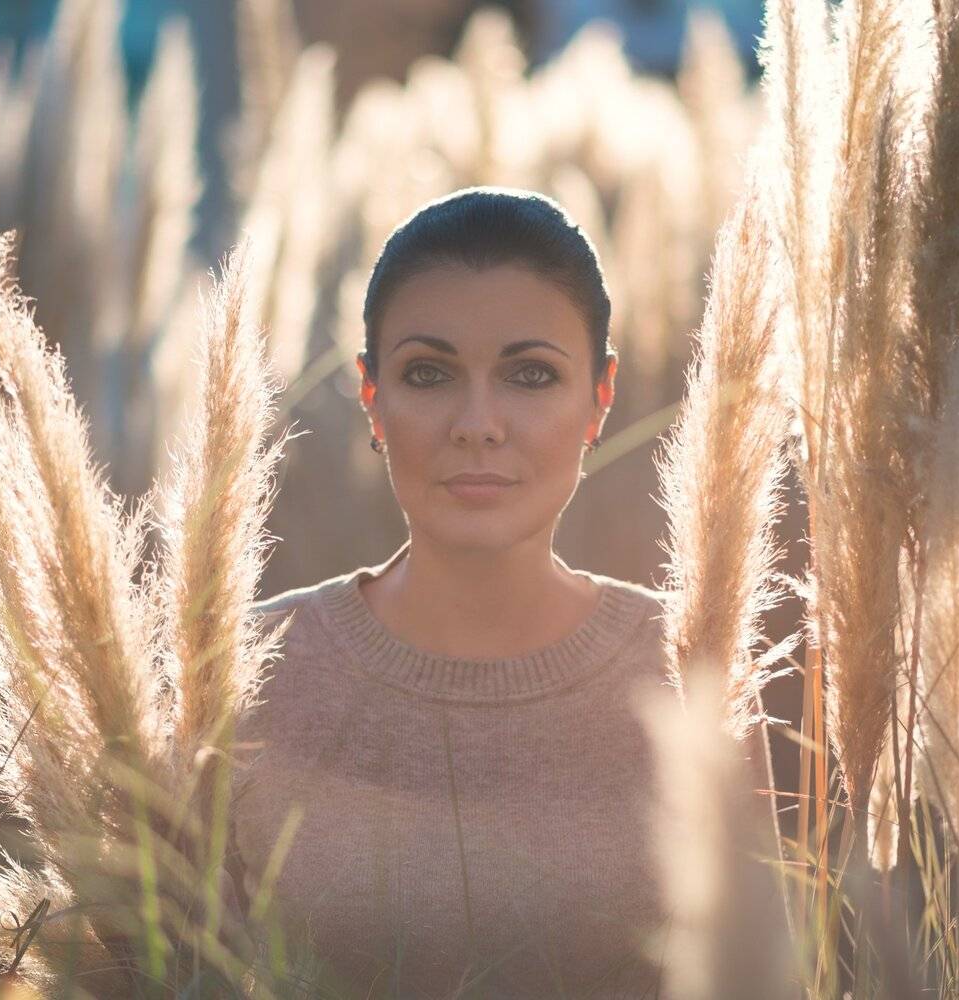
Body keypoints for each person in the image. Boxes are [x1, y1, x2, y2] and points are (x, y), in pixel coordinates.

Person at [223, 186, 676, 999]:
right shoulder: (244, 672)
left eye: (530, 375)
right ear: (372, 397)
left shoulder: (691, 670)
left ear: (599, 398)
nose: (478, 423)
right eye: (428, 374)